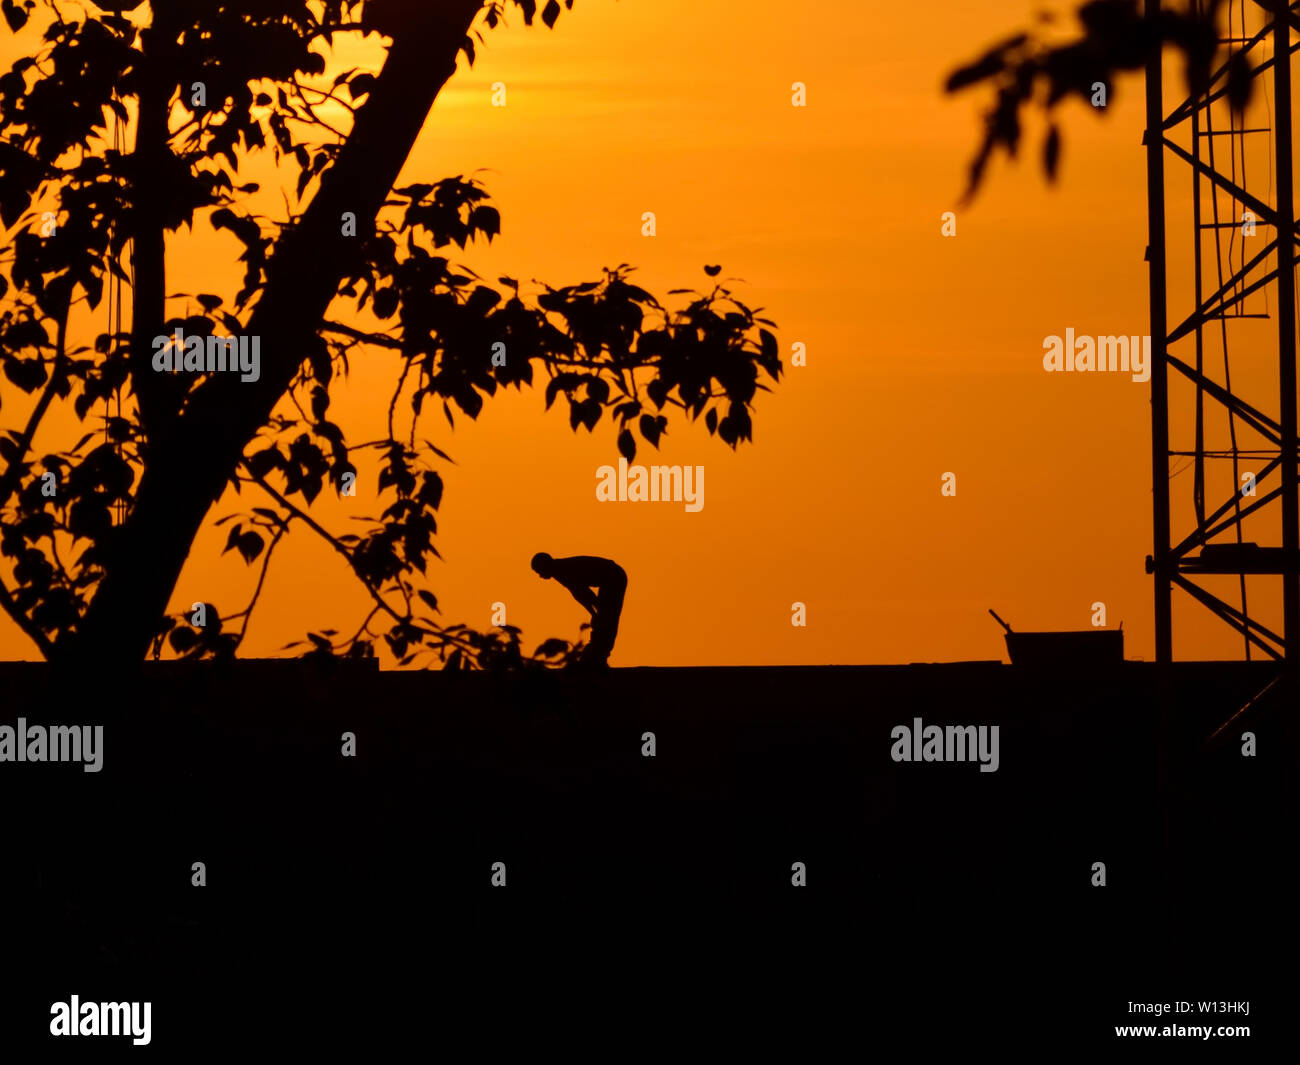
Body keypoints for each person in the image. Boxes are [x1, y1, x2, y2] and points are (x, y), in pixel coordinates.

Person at [531, 553, 627, 668]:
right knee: (604, 618)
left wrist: (595, 611)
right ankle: (598, 654)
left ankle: (599, 655)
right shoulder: (558, 569)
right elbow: (581, 593)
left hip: (613, 576)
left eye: (539, 571)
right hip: (609, 578)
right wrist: (594, 612)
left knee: (607, 619)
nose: (540, 576)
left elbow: (582, 593)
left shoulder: (561, 570)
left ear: (545, 565)